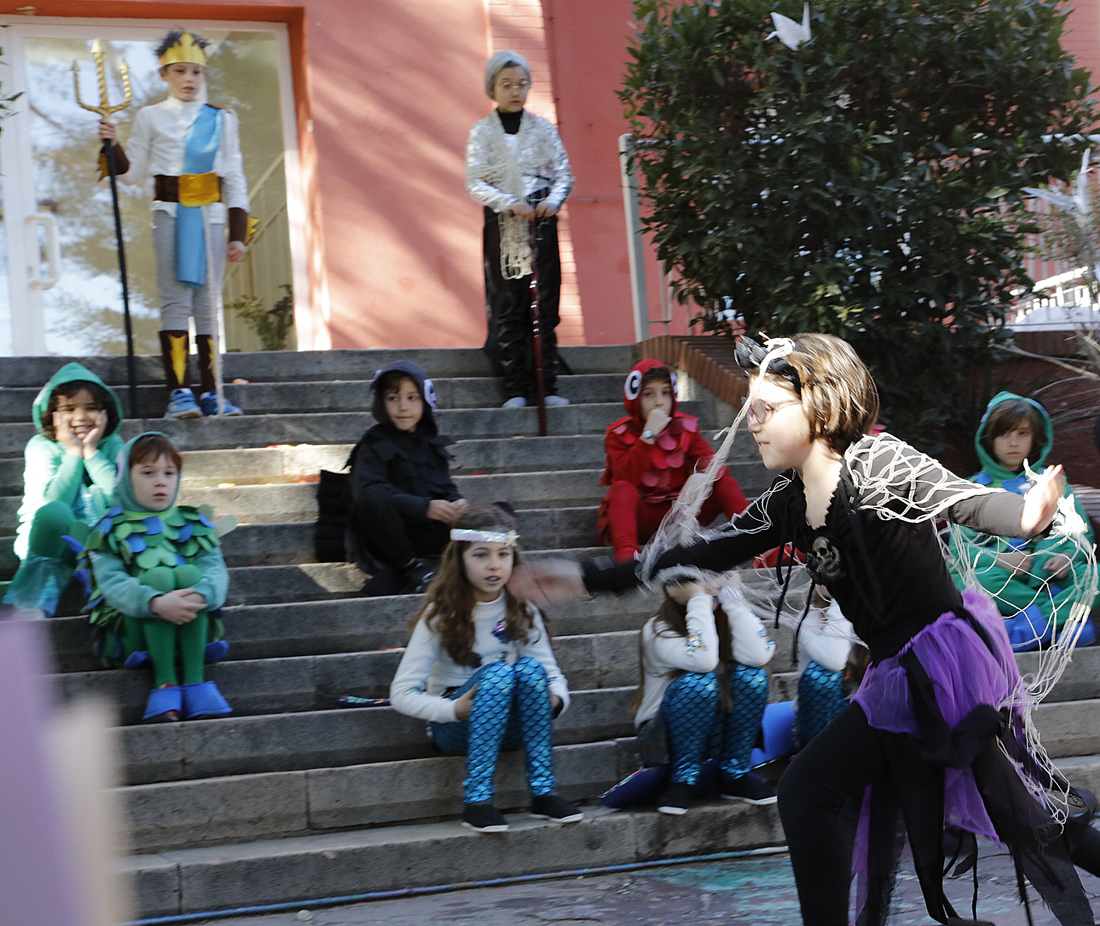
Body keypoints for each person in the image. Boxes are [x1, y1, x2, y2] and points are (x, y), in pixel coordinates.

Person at [512, 333, 1097, 926]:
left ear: (819, 404)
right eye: (752, 411)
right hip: (900, 675)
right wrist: (588, 577)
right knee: (997, 813)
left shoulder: (879, 461)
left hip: (942, 666)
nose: (754, 425)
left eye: (767, 410)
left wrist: (1024, 516)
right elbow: (699, 555)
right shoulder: (788, 502)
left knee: (844, 797)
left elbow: (965, 501)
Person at [389, 504, 581, 833]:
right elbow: (401, 693)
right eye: (481, 555)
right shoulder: (439, 615)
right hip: (456, 728)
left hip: (511, 726)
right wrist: (453, 709)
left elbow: (551, 675)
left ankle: (544, 793)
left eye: (503, 554)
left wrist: (555, 701)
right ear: (459, 559)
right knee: (498, 673)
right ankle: (477, 799)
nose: (495, 565)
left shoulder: (523, 609)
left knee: (530, 671)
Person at [99, 28, 248, 419]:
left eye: (196, 72)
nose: (188, 79)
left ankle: (212, 390)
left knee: (207, 306)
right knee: (175, 300)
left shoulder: (222, 119)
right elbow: (131, 175)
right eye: (179, 71)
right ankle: (179, 393)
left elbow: (234, 176)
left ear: (205, 76)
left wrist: (238, 234)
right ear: (164, 75)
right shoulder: (150, 117)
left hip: (211, 217)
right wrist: (111, 144)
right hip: (168, 214)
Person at [83, 432, 231, 723]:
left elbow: (215, 570)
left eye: (169, 472)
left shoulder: (192, 522)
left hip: (192, 624)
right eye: (148, 473)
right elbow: (112, 582)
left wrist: (202, 594)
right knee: (159, 576)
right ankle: (165, 683)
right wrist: (155, 603)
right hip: (134, 632)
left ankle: (194, 681)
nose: (161, 481)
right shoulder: (109, 528)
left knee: (189, 572)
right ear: (126, 477)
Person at [465, 50, 573, 409]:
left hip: (540, 223)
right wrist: (509, 202)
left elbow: (563, 175)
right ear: (492, 88)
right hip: (503, 224)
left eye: (522, 84)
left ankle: (547, 386)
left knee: (545, 301)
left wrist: (552, 202)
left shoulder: (542, 129)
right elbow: (475, 181)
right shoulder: (482, 132)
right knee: (509, 301)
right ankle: (515, 388)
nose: (515, 91)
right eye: (506, 85)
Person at [950, 391, 1098, 651]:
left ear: (1035, 437)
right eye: (1004, 434)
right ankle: (1060, 622)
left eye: (1022, 433)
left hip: (1051, 574)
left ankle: (1021, 632)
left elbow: (1080, 537)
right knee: (972, 582)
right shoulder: (973, 489)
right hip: (1001, 579)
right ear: (989, 439)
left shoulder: (1052, 482)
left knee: (1094, 576)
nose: (1013, 443)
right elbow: (959, 552)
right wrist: (1000, 560)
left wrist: (1067, 557)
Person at [634, 575, 776, 815]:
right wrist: (698, 601)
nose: (714, 584)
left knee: (753, 676)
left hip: (716, 730)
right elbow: (703, 660)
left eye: (719, 576)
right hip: (664, 741)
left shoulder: (726, 618)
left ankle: (735, 773)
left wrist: (734, 601)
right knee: (698, 682)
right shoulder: (658, 628)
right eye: (705, 579)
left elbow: (759, 655)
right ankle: (682, 778)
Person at [598, 360, 749, 562]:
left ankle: (762, 543)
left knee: (723, 481)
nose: (659, 401)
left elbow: (714, 468)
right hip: (641, 518)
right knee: (621, 490)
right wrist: (648, 436)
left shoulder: (685, 428)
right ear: (635, 398)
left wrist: (698, 481)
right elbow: (625, 478)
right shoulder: (618, 435)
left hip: (681, 513)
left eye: (665, 392)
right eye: (649, 394)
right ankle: (627, 558)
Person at [4, 363, 124, 616]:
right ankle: (30, 607)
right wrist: (73, 453)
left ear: (105, 413)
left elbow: (121, 498)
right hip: (50, 541)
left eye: (90, 408)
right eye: (69, 409)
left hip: (96, 540)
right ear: (53, 415)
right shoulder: (41, 446)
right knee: (56, 512)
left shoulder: (111, 444)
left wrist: (90, 452)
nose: (81, 417)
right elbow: (52, 502)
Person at [347, 360, 467, 596]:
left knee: (498, 513)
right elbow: (369, 493)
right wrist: (424, 507)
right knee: (373, 498)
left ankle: (444, 568)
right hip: (387, 536)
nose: (403, 407)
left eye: (412, 398)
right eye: (393, 398)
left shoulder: (430, 443)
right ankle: (410, 568)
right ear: (382, 403)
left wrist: (457, 502)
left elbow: (444, 487)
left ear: (425, 401)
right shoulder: (373, 444)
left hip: (425, 534)